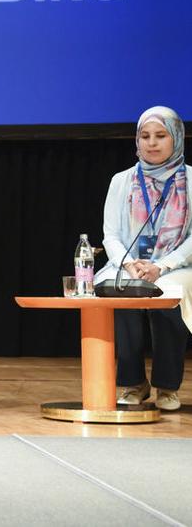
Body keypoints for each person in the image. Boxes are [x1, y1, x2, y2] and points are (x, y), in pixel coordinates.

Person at [95, 106, 192, 411]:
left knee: (169, 293)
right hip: (129, 264)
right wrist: (128, 264)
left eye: (160, 135)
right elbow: (110, 235)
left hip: (177, 266)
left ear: (176, 137)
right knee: (120, 291)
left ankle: (167, 387)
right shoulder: (121, 180)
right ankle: (133, 383)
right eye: (145, 136)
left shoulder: (191, 180)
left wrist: (162, 265)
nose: (151, 143)